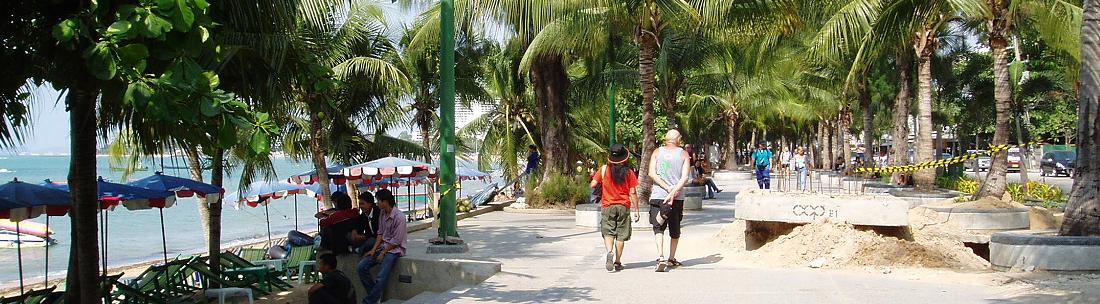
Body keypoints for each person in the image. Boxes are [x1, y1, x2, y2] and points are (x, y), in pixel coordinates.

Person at [590, 144, 640, 272]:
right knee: (621, 235)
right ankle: (617, 262)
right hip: (623, 206)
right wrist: (636, 210)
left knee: (608, 231)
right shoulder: (629, 172)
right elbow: (633, 192)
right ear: (625, 158)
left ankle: (609, 252)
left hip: (608, 205)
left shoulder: (603, 169)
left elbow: (593, 184)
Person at [648, 129, 692, 272]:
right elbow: (684, 177)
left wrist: (666, 188)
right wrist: (673, 191)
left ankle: (660, 256)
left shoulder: (656, 152)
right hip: (676, 198)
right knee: (675, 228)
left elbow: (651, 173)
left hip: (658, 195)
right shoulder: (684, 154)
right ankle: (671, 258)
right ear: (678, 139)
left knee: (658, 227)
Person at [357, 189, 406, 304]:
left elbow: (397, 241)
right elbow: (380, 233)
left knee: (381, 276)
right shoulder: (382, 214)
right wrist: (373, 250)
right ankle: (375, 296)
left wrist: (383, 253)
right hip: (383, 247)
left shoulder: (400, 217)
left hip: (394, 250)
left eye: (378, 201)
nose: (377, 203)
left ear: (386, 201)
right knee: (361, 267)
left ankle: (369, 301)